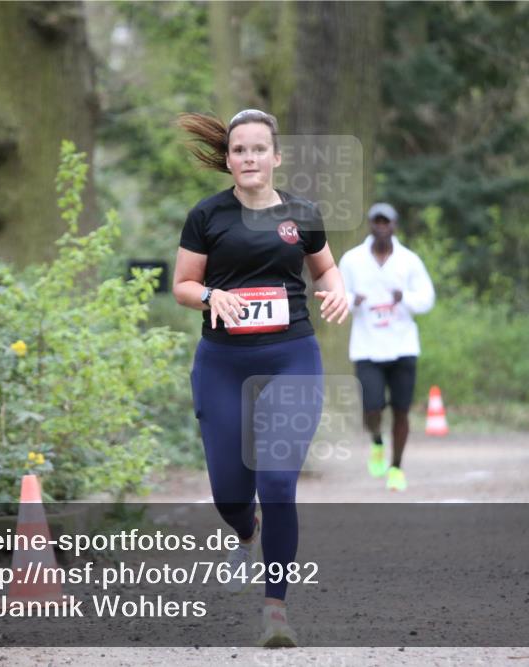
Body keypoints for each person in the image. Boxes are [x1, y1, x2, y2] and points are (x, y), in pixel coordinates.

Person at [172, 109, 348, 647]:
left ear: (276, 156)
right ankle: (244, 531)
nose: (249, 158)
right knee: (230, 495)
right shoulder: (207, 216)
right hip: (222, 364)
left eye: (258, 149)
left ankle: (276, 611)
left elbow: (325, 268)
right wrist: (211, 296)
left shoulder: (302, 214)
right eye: (239, 150)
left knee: (275, 483)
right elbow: (183, 284)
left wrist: (338, 291)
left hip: (291, 357)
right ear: (228, 159)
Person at [339, 203, 435, 492]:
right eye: (377, 222)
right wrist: (352, 300)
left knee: (402, 411)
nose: (382, 227)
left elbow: (427, 298)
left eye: (387, 222)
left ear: (395, 225)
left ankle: (396, 468)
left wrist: (404, 297)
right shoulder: (352, 260)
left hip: (403, 345)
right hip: (367, 347)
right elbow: (337, 295)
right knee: (372, 408)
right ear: (370, 224)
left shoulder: (409, 261)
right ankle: (377, 442)